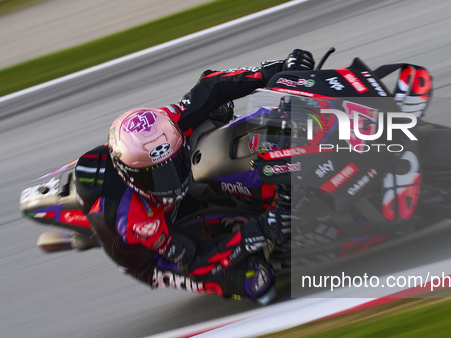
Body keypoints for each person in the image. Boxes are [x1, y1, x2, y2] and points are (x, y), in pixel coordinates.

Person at [74, 49, 315, 305]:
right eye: (155, 177)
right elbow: (195, 259)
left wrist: (278, 71)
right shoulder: (137, 220)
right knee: (257, 282)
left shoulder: (166, 123)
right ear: (129, 176)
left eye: (172, 164)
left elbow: (211, 87)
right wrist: (262, 229)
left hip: (153, 191)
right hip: (156, 259)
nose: (171, 181)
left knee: (216, 112)